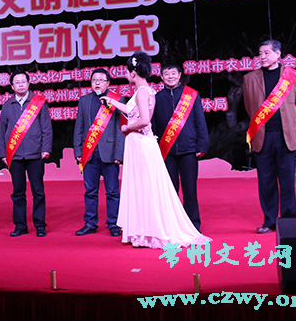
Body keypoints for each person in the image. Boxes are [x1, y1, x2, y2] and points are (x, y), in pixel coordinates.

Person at [103, 52, 210, 249]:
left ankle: (157, 230)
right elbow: (132, 111)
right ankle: (146, 230)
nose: (126, 75)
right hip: (149, 144)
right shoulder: (150, 91)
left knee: (153, 188)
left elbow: (144, 120)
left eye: (127, 71)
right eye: (166, 73)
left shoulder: (145, 92)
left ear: (133, 73)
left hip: (146, 142)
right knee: (148, 188)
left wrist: (127, 127)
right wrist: (113, 102)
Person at [243, 39, 296, 234]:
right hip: (263, 136)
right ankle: (269, 221)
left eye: (267, 52)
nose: (262, 56)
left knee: (287, 180)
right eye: (260, 53)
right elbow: (249, 107)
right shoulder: (250, 78)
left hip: (287, 136)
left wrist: (288, 123)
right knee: (266, 181)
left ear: (278, 54)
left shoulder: (294, 76)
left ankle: (290, 220)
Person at [152, 62, 209, 231]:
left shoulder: (191, 95)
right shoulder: (156, 98)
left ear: (179, 75)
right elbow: (153, 125)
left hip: (189, 150)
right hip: (166, 151)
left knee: (190, 190)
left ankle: (193, 224)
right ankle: (173, 225)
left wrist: (202, 145)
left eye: (173, 73)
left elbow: (200, 121)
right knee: (170, 190)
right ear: (161, 77)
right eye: (166, 74)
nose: (170, 77)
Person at [0, 70, 52, 237]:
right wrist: (3, 153)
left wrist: (46, 148)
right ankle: (20, 225)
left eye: (23, 81)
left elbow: (47, 128)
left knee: (38, 191)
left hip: (35, 154)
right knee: (18, 192)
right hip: (15, 156)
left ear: (28, 83)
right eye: (17, 82)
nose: (20, 85)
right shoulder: (7, 105)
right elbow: (2, 131)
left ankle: (40, 225)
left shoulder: (39, 103)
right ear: (12, 86)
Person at [73, 68, 125, 237]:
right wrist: (78, 151)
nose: (97, 83)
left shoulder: (117, 100)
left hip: (110, 153)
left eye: (101, 80)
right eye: (94, 80)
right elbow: (79, 127)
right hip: (89, 153)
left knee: (113, 192)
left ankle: (114, 223)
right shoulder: (84, 100)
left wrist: (119, 154)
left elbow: (120, 128)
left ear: (108, 83)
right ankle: (90, 223)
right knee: (90, 191)